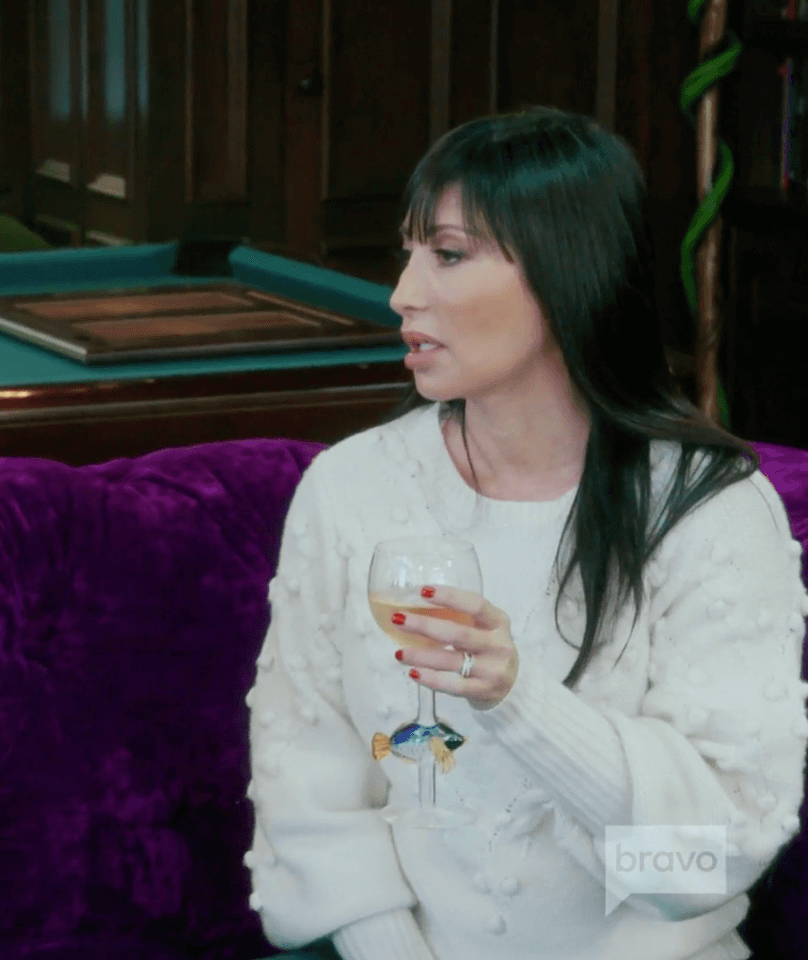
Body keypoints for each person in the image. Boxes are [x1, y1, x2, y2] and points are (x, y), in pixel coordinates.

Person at [245, 107, 808, 960]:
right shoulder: (351, 488)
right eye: (408, 253)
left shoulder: (710, 508)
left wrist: (518, 700)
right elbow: (307, 786)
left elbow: (715, 854)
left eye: (448, 254)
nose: (402, 294)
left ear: (566, 271)